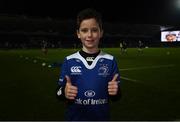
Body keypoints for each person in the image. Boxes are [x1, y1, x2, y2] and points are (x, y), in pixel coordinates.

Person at [56, 8, 121, 121]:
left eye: (94, 30)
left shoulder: (110, 60)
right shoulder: (69, 60)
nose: (89, 35)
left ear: (101, 33)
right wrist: (64, 92)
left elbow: (116, 96)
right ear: (78, 34)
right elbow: (58, 92)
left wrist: (116, 92)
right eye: (84, 30)